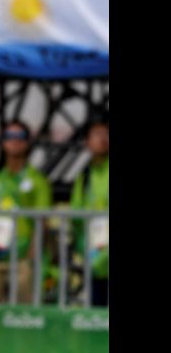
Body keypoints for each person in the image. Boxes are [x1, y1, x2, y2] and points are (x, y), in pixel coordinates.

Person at [0, 120, 52, 304]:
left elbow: (42, 221)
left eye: (20, 136)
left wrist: (32, 257)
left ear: (28, 142)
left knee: (25, 315)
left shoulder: (37, 181)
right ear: (2, 142)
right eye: (9, 136)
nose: (15, 141)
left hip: (23, 259)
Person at [70, 119, 109, 307]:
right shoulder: (84, 175)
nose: (102, 139)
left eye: (106, 134)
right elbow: (76, 214)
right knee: (97, 315)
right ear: (87, 142)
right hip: (95, 257)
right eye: (97, 135)